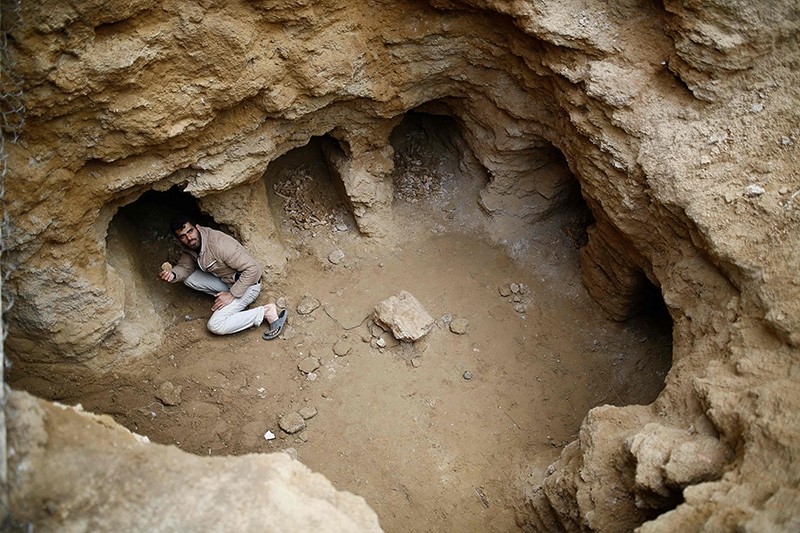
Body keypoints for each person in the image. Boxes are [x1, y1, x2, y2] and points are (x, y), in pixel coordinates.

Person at [159, 215, 287, 340]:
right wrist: (173, 274)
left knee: (215, 325)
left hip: (248, 285)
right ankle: (232, 302)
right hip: (227, 282)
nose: (189, 237)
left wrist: (231, 294)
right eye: (183, 236)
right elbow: (185, 266)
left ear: (197, 227)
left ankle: (265, 312)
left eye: (190, 231)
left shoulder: (219, 245)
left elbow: (254, 269)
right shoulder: (193, 246)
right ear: (179, 239)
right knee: (188, 278)